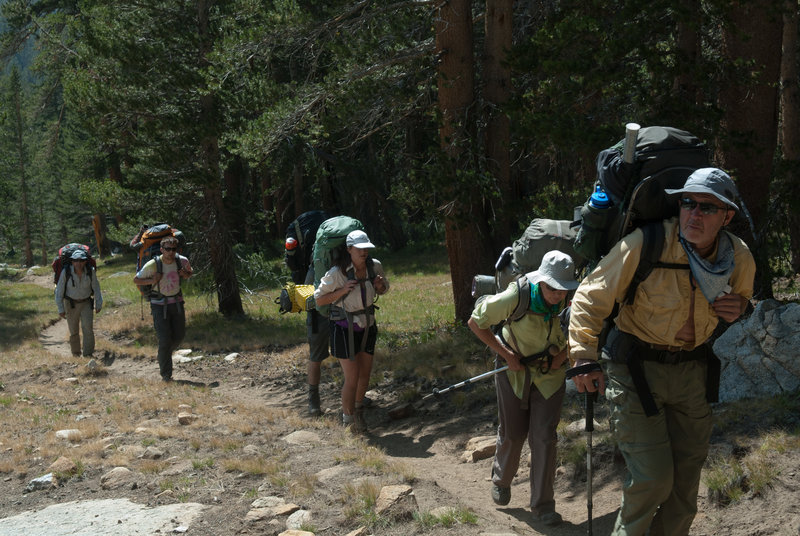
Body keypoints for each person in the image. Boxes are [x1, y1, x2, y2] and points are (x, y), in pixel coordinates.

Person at [568, 168, 756, 536]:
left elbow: (743, 299)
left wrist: (741, 309)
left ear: (727, 216)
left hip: (692, 374)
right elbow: (590, 297)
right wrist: (583, 356)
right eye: (687, 203)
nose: (694, 214)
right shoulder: (647, 242)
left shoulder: (737, 255)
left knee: (684, 491)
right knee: (653, 479)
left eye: (707, 207)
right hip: (636, 371)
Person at [467, 250, 579, 527]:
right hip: (512, 372)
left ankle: (543, 505)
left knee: (544, 438)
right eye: (552, 288)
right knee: (513, 434)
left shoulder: (573, 300)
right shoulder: (517, 296)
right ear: (541, 281)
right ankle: (502, 479)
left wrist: (561, 357)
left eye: (563, 290)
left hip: (550, 377)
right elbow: (475, 323)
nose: (557, 295)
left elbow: (582, 333)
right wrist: (506, 355)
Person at [313, 230, 389, 432]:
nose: (364, 252)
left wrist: (380, 286)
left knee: (365, 374)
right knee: (352, 376)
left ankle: (358, 413)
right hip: (343, 327)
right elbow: (319, 299)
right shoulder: (337, 273)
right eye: (359, 248)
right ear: (349, 249)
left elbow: (383, 290)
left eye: (366, 248)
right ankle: (348, 421)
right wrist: (342, 290)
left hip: (368, 324)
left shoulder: (375, 266)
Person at [133, 236, 193, 382]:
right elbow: (136, 279)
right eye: (167, 249)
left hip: (177, 303)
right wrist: (152, 280)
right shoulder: (154, 264)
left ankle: (163, 354)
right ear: (161, 250)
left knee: (179, 336)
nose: (171, 252)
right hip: (159, 305)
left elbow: (190, 273)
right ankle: (166, 374)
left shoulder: (182, 261)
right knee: (165, 339)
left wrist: (185, 274)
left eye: (173, 249)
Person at [55, 249, 103, 357]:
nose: (78, 263)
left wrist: (98, 303)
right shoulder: (66, 272)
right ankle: (76, 354)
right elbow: (59, 291)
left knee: (88, 329)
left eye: (81, 261)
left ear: (85, 261)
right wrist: (60, 309)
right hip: (70, 304)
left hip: (86, 303)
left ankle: (88, 354)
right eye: (76, 261)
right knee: (74, 331)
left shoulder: (91, 271)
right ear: (72, 261)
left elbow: (96, 287)